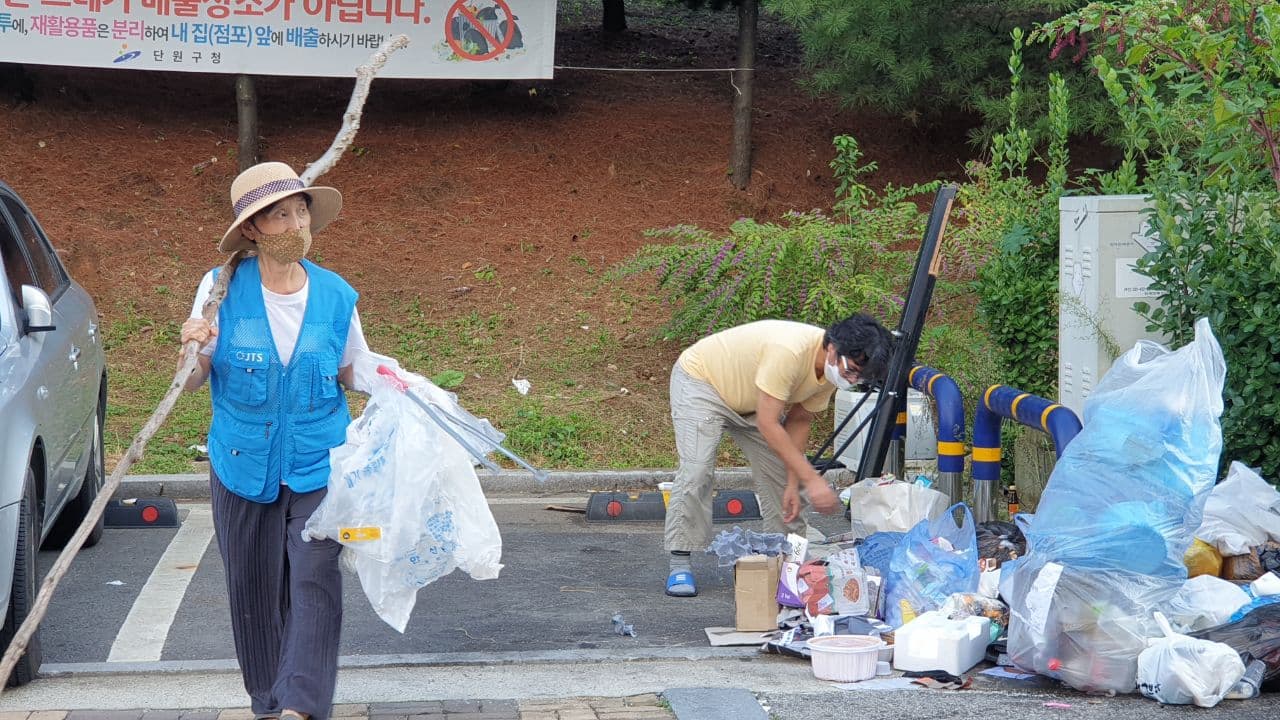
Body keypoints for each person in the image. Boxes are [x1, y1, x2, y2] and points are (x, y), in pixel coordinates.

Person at [178, 161, 370, 720]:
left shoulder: (336, 295)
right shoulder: (219, 289)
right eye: (279, 216)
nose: (295, 224)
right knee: (255, 590)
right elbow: (192, 380)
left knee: (315, 578)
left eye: (300, 211)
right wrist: (191, 347)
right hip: (241, 463)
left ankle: (301, 709)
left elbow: (350, 369)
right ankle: (270, 703)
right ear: (254, 229)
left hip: (319, 462)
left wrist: (395, 383)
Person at [663, 314, 893, 597]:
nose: (852, 379)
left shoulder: (832, 373)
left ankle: (790, 565)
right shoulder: (790, 351)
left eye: (860, 377)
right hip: (703, 383)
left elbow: (799, 421)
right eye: (851, 371)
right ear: (833, 348)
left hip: (755, 401)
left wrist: (794, 481)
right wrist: (814, 480)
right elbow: (768, 424)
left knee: (787, 483)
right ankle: (680, 562)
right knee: (697, 469)